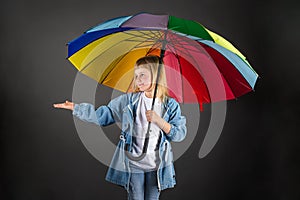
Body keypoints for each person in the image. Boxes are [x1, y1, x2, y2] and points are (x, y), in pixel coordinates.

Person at [53, 55, 187, 200]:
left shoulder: (170, 105)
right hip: (133, 164)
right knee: (135, 197)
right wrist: (76, 108)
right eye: (136, 76)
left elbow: (179, 134)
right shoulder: (129, 100)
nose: (138, 80)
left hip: (157, 167)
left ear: (156, 76)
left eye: (142, 75)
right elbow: (103, 115)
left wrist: (159, 121)